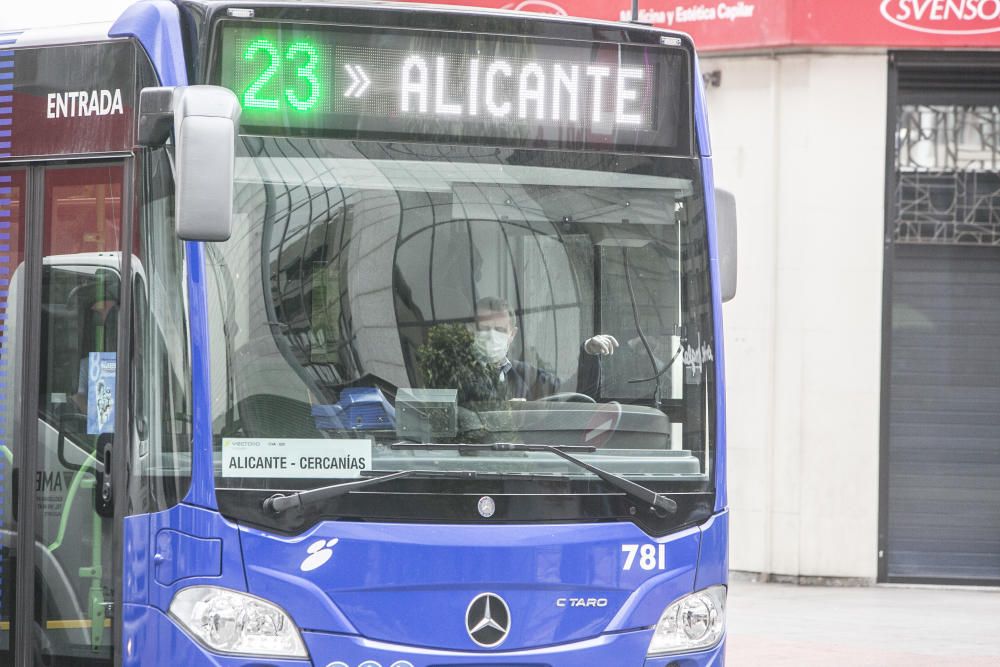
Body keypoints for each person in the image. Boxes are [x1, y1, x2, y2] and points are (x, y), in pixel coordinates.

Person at [471, 297, 618, 400]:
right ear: (471, 330)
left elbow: (572, 396)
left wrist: (588, 352)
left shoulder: (526, 376)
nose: (491, 336)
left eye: (500, 330)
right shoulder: (454, 371)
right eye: (484, 329)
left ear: (512, 334)